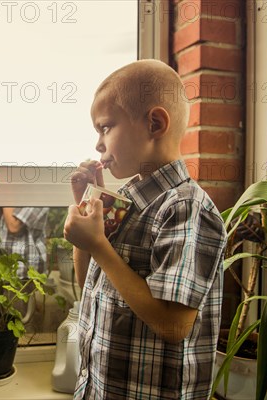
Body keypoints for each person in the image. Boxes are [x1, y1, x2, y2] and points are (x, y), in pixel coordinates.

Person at [63, 59, 227, 399]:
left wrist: (99, 247)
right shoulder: (124, 201)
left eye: (105, 127)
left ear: (154, 123)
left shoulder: (185, 207)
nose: (98, 144)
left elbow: (174, 325)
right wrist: (88, 211)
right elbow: (89, 287)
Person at [0, 207, 49, 278]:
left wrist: (6, 197)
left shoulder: (36, 196)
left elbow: (14, 225)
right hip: (10, 269)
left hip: (25, 272)